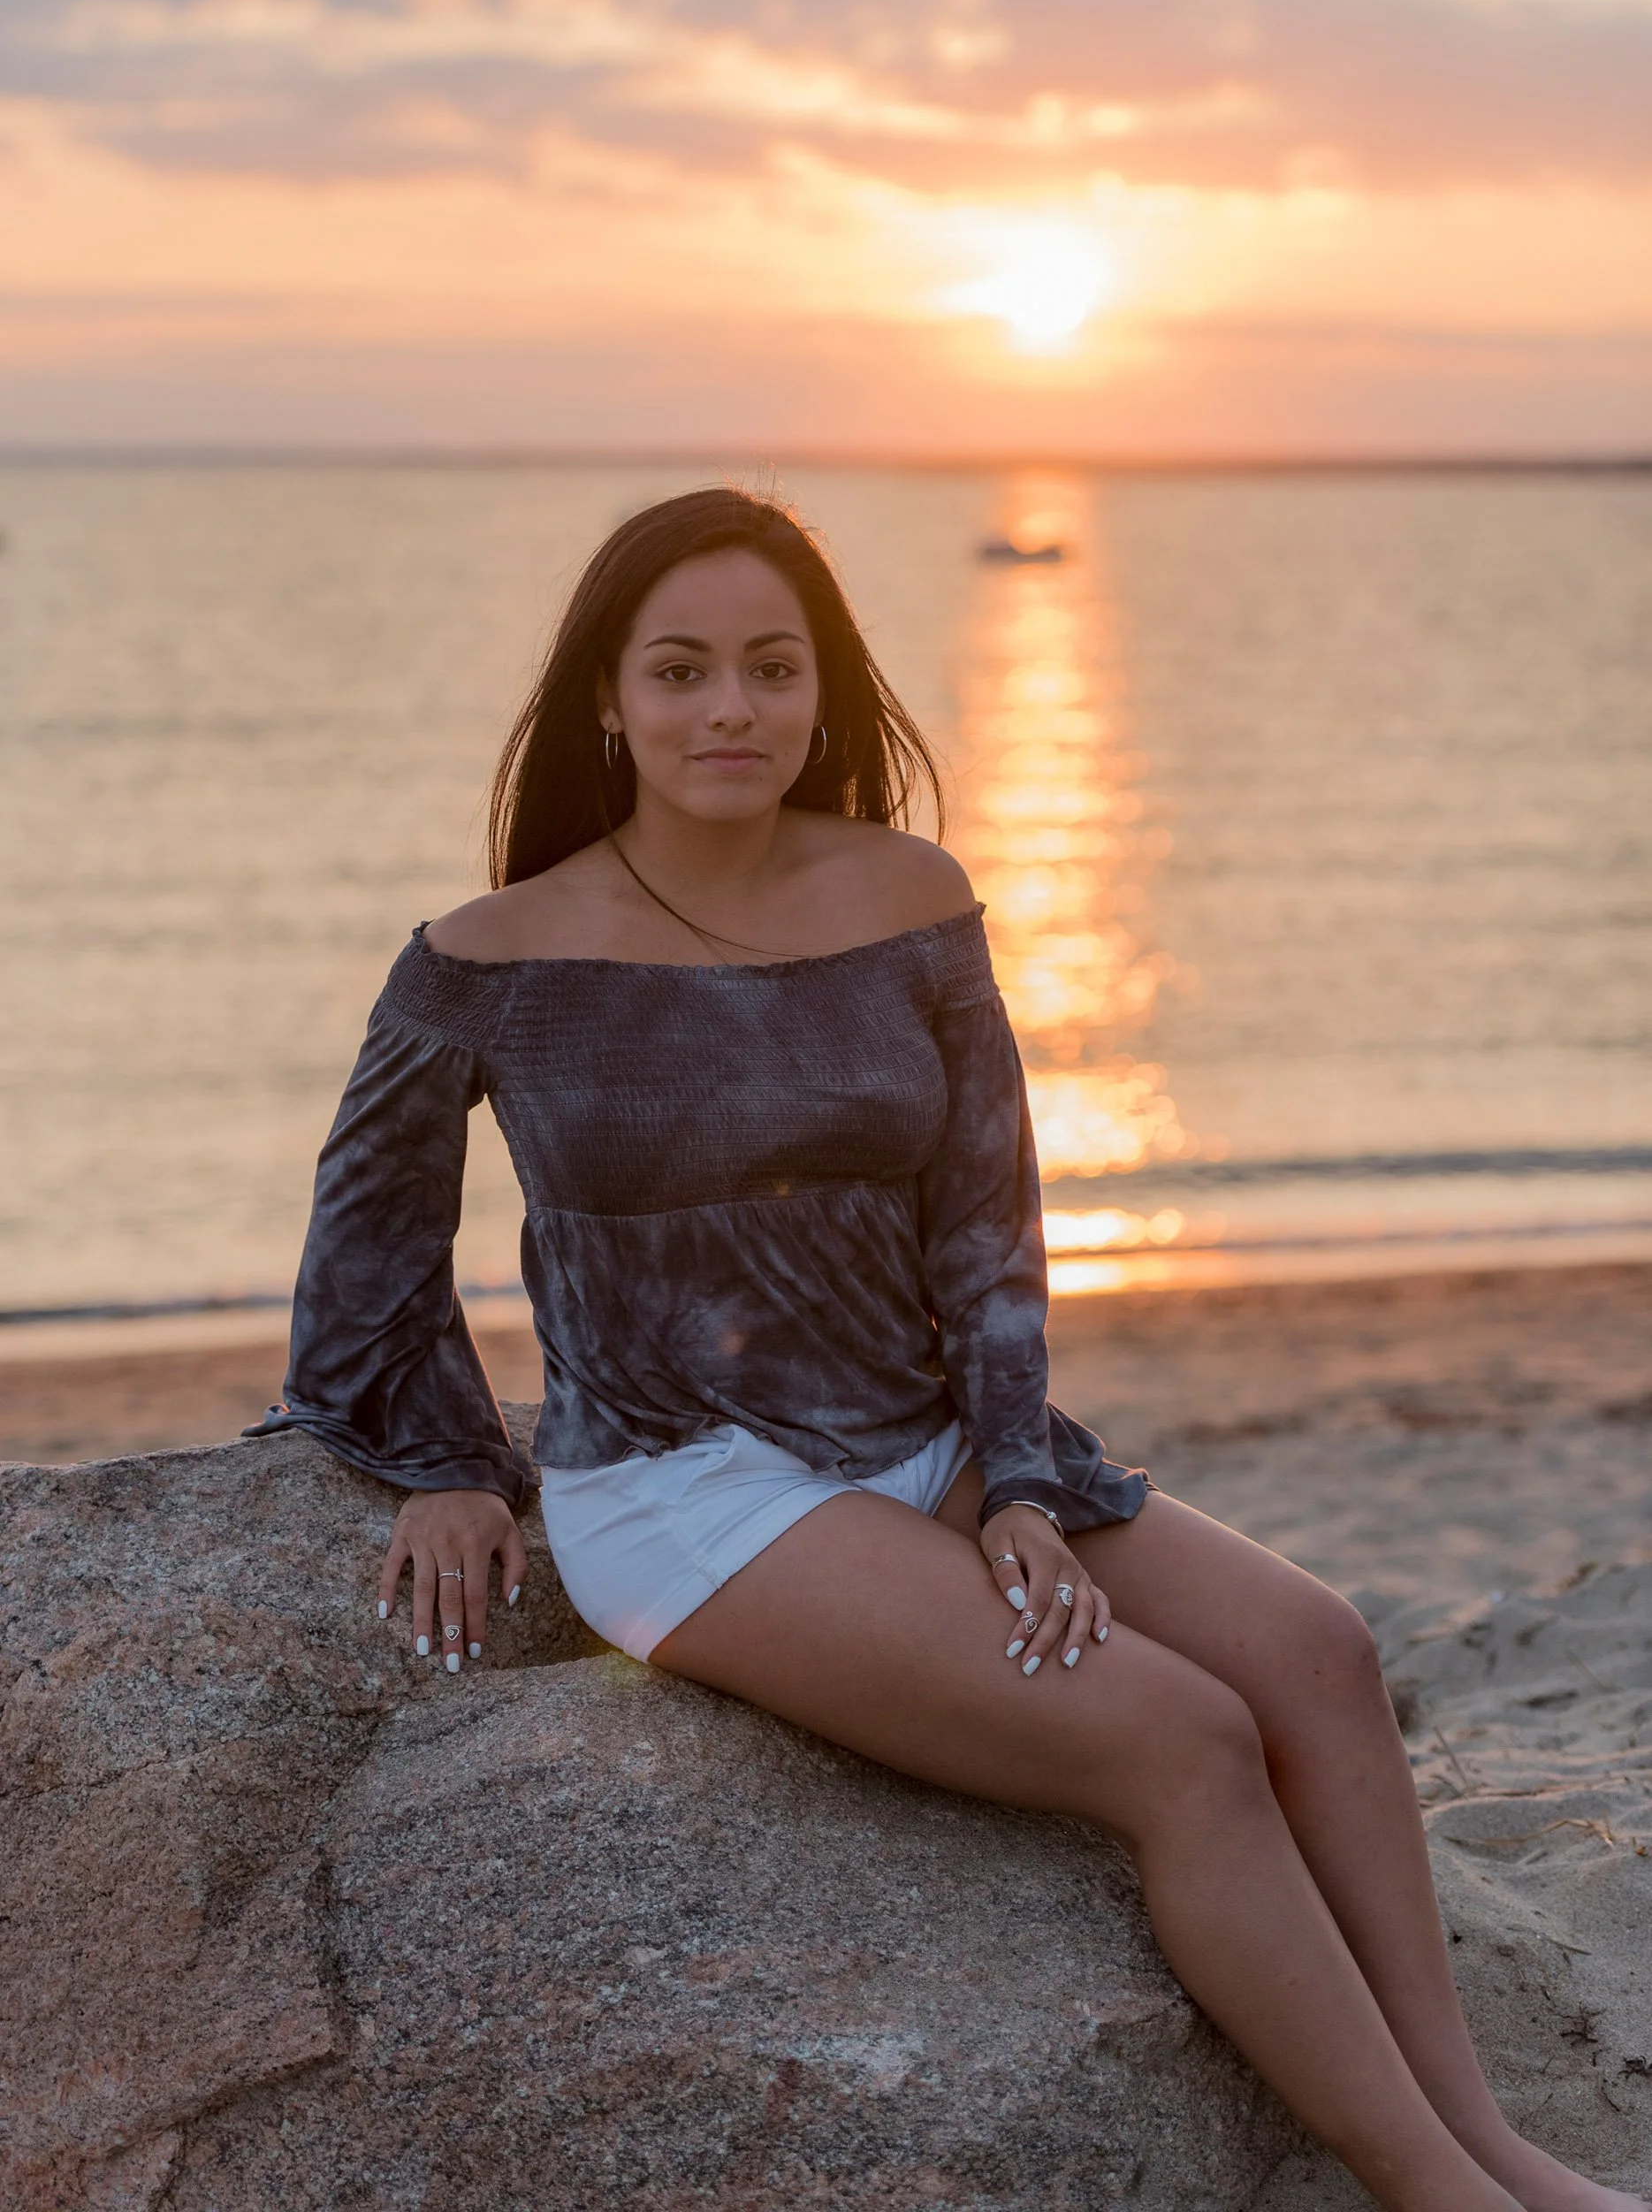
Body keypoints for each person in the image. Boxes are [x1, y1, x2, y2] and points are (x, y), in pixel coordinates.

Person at [259, 488, 1642, 2212]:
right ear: (604, 700)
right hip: (690, 1490)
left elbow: (988, 1217)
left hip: (928, 1430)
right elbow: (366, 1239)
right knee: (1181, 1736)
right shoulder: (489, 955)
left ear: (824, 690)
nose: (729, 710)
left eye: (772, 668)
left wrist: (1019, 1479)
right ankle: (1431, 2191)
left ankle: (1489, 2137)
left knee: (1315, 1650)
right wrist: (446, 1460)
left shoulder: (909, 896)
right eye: (680, 670)